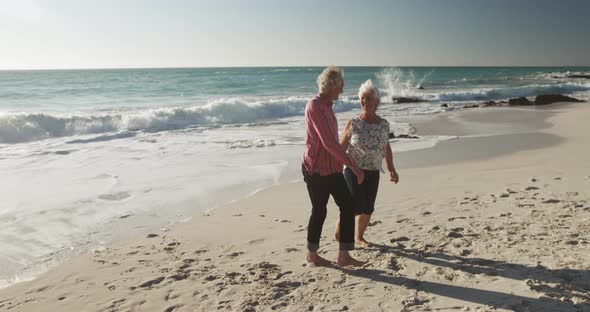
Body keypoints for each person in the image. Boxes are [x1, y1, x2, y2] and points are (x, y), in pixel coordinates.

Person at [302, 66, 366, 267]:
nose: (343, 89)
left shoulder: (328, 106)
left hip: (333, 168)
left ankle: (344, 256)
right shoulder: (315, 106)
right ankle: (312, 254)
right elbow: (329, 143)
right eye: (341, 85)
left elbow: (334, 143)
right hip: (317, 170)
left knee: (347, 206)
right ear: (333, 85)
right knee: (319, 210)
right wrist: (353, 165)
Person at [337, 79, 399, 246]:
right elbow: (341, 148)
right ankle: (341, 227)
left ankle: (359, 237)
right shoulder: (354, 123)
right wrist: (333, 167)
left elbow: (386, 148)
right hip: (352, 169)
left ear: (377, 101)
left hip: (374, 170)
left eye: (369, 98)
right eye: (362, 98)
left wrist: (392, 169)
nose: (365, 101)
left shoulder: (384, 124)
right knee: (356, 204)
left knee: (368, 207)